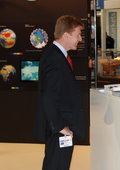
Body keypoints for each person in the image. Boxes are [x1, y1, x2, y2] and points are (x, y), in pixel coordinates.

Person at [34, 15, 86, 170]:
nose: (80, 39)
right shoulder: (54, 59)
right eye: (78, 34)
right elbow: (48, 96)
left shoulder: (57, 56)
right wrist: (61, 127)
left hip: (62, 125)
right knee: (56, 165)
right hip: (59, 127)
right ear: (66, 35)